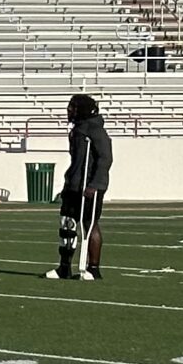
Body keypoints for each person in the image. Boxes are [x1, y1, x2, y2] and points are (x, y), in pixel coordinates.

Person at [51, 93, 112, 282]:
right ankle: (64, 267)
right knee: (67, 224)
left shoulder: (95, 130)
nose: (69, 110)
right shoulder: (77, 129)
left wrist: (94, 185)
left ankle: (93, 268)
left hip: (89, 186)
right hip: (74, 185)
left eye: (73, 107)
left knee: (89, 224)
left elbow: (105, 158)